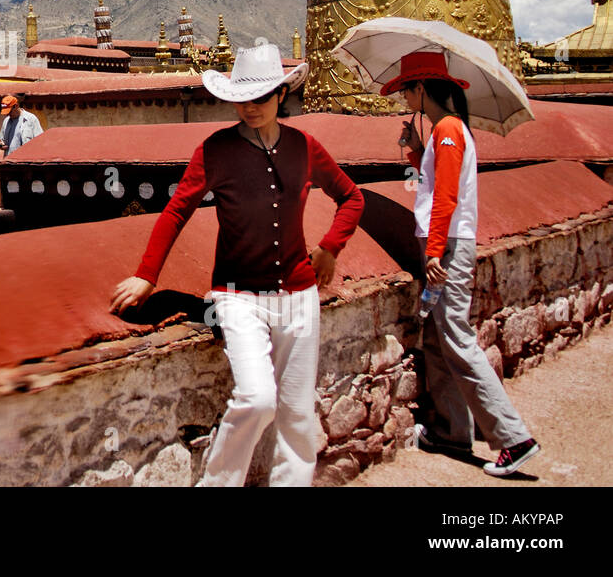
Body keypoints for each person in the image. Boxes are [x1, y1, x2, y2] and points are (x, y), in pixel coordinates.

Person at [110, 43, 364, 486]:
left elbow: (352, 197)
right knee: (257, 398)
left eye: (261, 97)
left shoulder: (305, 148)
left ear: (281, 96)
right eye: (242, 99)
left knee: (298, 415)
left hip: (300, 296)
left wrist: (329, 248)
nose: (251, 107)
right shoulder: (215, 150)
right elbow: (176, 211)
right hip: (237, 296)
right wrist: (146, 275)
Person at [388, 51, 540, 477]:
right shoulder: (442, 132)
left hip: (448, 245)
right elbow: (435, 182)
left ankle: (514, 438)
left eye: (405, 89)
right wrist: (417, 155)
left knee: (456, 337)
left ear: (421, 88)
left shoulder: (450, 129)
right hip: (443, 242)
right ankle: (451, 430)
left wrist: (435, 251)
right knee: (437, 337)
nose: (402, 97)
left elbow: (446, 197)